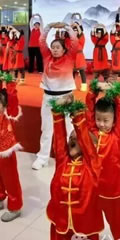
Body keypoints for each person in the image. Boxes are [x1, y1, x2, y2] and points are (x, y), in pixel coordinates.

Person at [47, 94, 103, 240]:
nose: (71, 139)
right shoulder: (62, 163)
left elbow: (85, 140)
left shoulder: (92, 166)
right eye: (70, 138)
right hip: (60, 229)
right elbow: (59, 140)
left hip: (84, 231)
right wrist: (58, 111)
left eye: (75, 137)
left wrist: (77, 116)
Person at [86, 80, 120, 240]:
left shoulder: (116, 135)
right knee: (88, 219)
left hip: (112, 189)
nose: (101, 124)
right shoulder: (92, 131)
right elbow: (89, 110)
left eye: (106, 120)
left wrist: (117, 94)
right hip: (91, 187)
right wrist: (94, 92)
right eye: (99, 119)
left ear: (114, 120)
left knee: (117, 221)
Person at [32, 21, 78, 171]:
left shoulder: (69, 57)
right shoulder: (47, 57)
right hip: (48, 97)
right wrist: (49, 27)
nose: (55, 50)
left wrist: (66, 27)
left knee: (69, 127)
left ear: (64, 49)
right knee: (46, 128)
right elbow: (41, 41)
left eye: (58, 47)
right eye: (53, 47)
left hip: (66, 97)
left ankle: (70, 156)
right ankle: (43, 158)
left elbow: (75, 41)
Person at [0, 72, 23, 222]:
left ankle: (15, 207)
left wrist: (9, 84)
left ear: (6, 106)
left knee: (11, 180)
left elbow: (12, 99)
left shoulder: (10, 115)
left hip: (7, 154)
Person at [67, 22, 87, 92]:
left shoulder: (81, 38)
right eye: (74, 31)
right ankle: (71, 86)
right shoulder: (70, 39)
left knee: (82, 71)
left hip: (79, 57)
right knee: (72, 72)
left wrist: (77, 26)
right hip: (72, 57)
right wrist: (70, 26)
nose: (75, 32)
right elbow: (67, 34)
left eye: (76, 31)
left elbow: (81, 33)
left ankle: (84, 86)